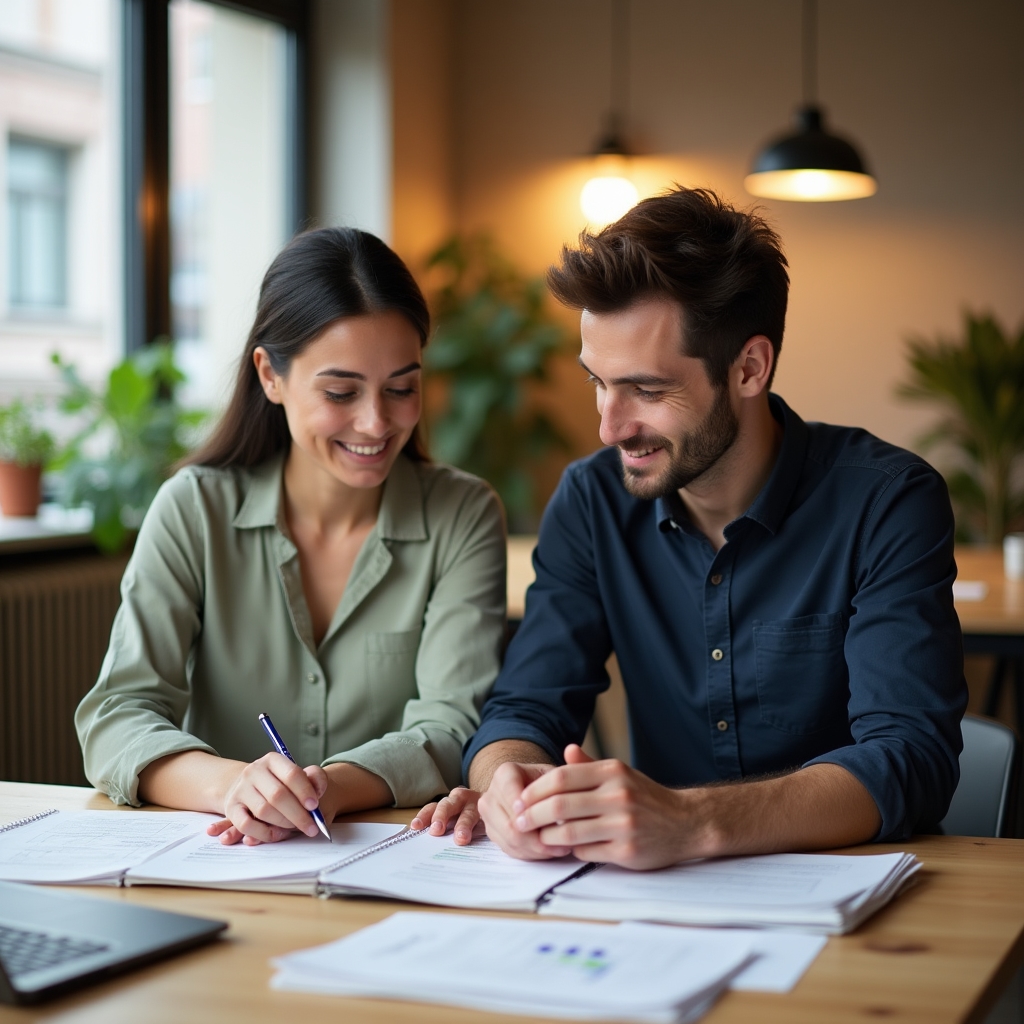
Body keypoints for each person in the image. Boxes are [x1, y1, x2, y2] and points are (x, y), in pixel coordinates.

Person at [415, 186, 967, 869]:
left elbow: (910, 758)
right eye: (598, 382)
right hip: (655, 894)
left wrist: (692, 820)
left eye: (647, 391)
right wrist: (505, 781)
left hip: (853, 896)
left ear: (749, 367)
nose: (609, 427)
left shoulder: (887, 501)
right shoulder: (592, 501)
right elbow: (525, 707)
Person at [76, 227, 506, 845]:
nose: (376, 422)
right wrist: (235, 786)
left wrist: (322, 789)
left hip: (391, 857)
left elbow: (450, 722)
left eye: (402, 388)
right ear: (270, 376)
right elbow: (118, 714)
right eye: (340, 391)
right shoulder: (193, 509)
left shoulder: (462, 513)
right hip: (219, 855)